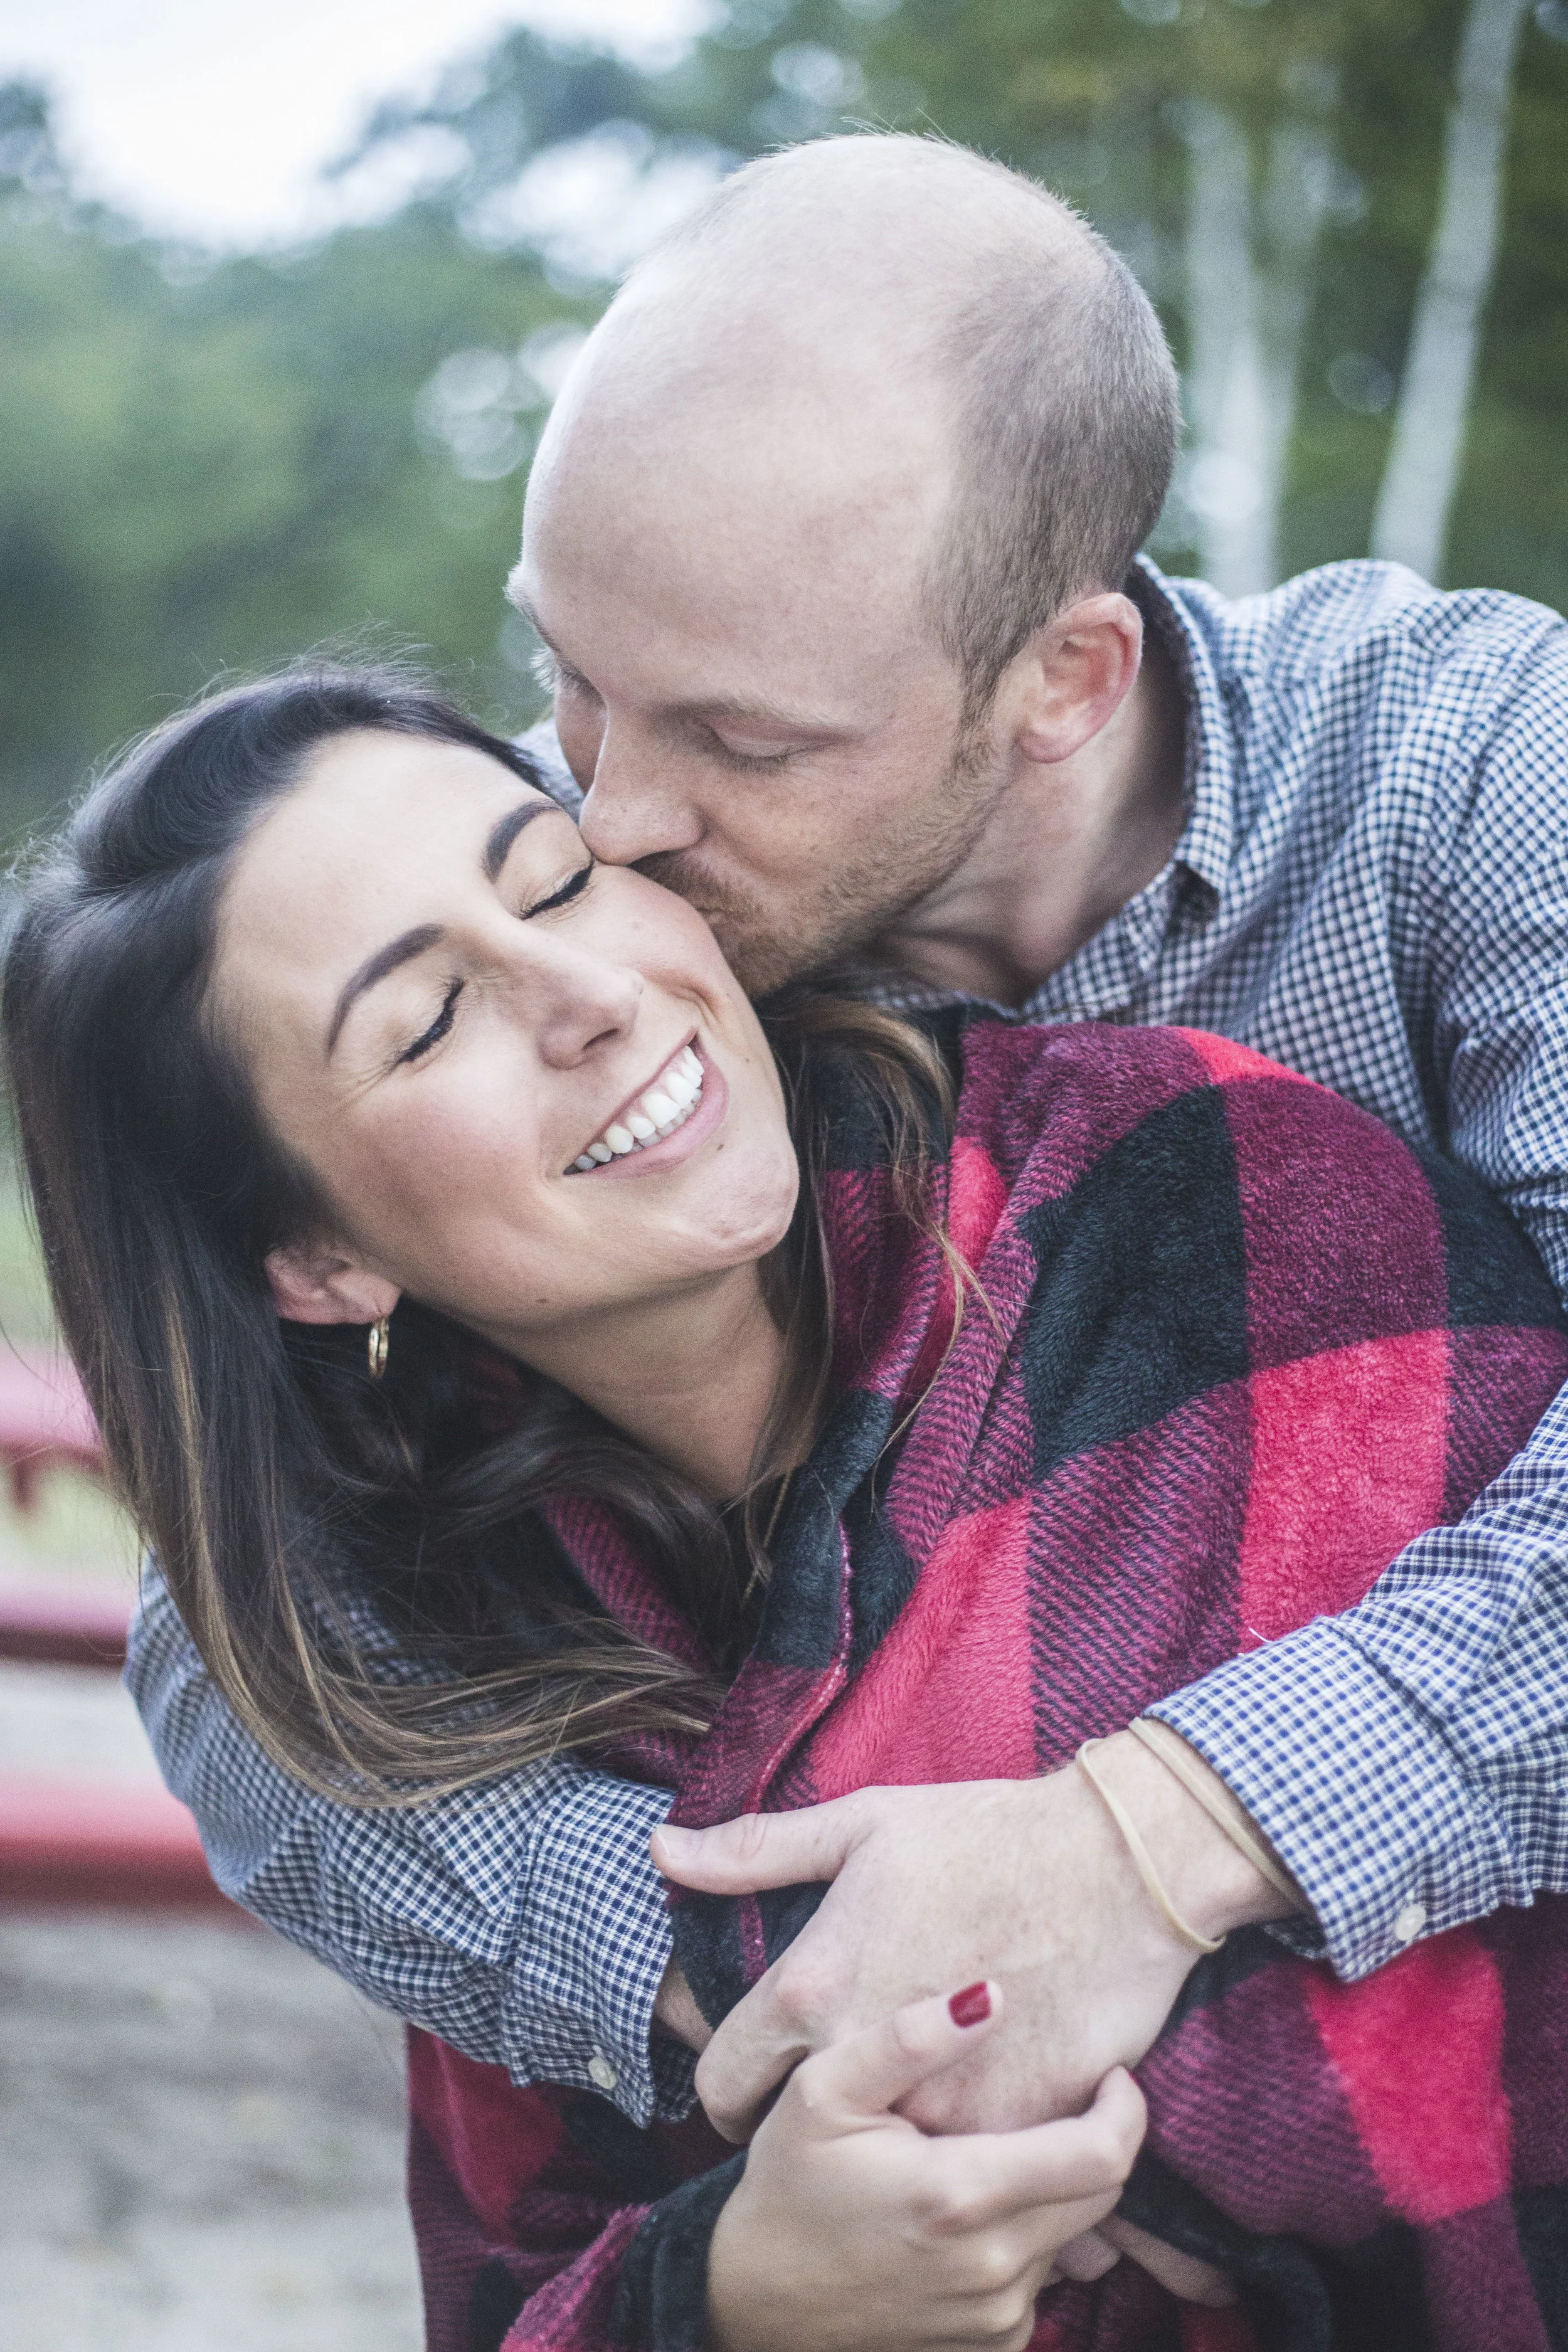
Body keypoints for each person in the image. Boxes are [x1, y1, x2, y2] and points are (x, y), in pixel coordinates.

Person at [127, 132, 1568, 2156]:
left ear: (1064, 679)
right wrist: (764, 1982)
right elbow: (232, 1634)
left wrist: (1152, 1839)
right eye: (568, 674)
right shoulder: (579, 912)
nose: (609, 815)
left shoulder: (1472, 781)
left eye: (742, 740)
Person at [13, 666, 1568, 2351]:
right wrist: (727, 2290)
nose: (587, 989)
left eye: (549, 875)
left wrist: (1087, 1982)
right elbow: (519, 2290)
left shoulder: (1198, 1183)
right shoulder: (446, 1670)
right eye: (425, 1018)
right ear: (320, 1259)